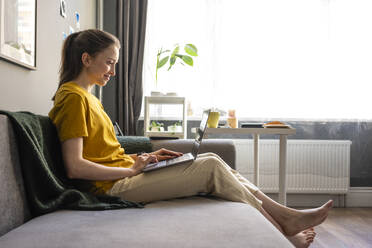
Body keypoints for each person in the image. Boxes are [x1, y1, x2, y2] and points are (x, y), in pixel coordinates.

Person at [49, 29, 332, 248]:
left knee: (211, 158)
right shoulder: (73, 98)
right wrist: (129, 169)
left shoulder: (89, 98)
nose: (113, 71)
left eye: (115, 64)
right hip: (110, 188)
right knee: (210, 168)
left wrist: (144, 159)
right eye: (109, 63)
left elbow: (102, 151)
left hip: (123, 174)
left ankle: (285, 216)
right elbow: (75, 166)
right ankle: (283, 228)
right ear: (86, 59)